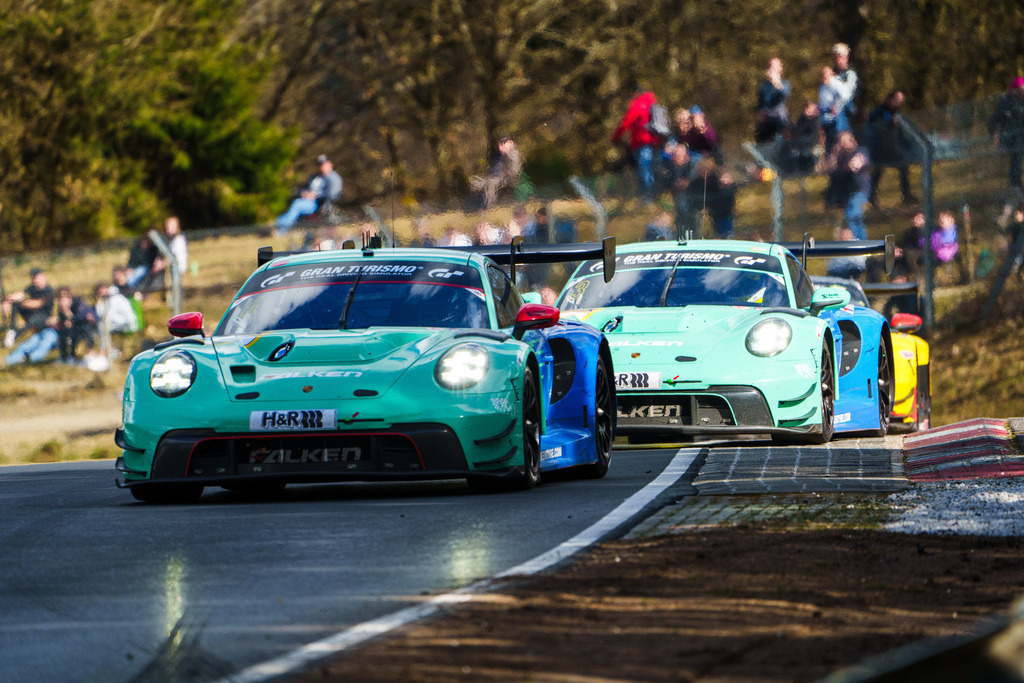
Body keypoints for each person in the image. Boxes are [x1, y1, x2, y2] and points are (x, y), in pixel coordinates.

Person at [610, 82, 661, 202]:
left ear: (634, 93)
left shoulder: (639, 104)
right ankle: (652, 196)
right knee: (649, 168)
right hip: (654, 142)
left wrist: (615, 137)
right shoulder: (652, 102)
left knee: (643, 169)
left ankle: (648, 198)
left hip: (642, 142)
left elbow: (626, 123)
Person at [867, 90, 917, 206]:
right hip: (879, 149)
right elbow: (874, 127)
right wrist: (889, 123)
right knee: (877, 172)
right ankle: (871, 197)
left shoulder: (896, 113)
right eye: (898, 100)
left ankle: (907, 195)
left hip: (893, 149)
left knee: (903, 168)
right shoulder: (879, 111)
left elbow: (900, 132)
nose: (900, 102)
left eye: (901, 100)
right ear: (891, 99)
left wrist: (907, 142)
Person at [275, 154, 343, 234]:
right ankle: (276, 225)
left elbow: (333, 194)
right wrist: (303, 193)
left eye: (323, 164)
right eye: (319, 164)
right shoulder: (314, 177)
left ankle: (280, 230)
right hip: (307, 201)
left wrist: (316, 195)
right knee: (294, 203)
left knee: (297, 205)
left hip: (320, 204)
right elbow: (304, 188)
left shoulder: (334, 178)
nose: (321, 166)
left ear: (330, 164)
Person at [825, 131, 871, 239]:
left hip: (859, 190)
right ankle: (858, 241)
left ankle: (860, 241)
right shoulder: (840, 156)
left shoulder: (860, 151)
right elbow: (829, 169)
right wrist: (835, 153)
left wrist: (845, 166)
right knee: (852, 217)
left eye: (846, 141)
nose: (844, 144)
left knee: (853, 215)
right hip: (845, 192)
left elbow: (855, 165)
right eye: (842, 142)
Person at [2, 268, 55, 349]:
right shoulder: (31, 288)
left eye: (36, 277)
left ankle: (15, 335)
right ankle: (12, 330)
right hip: (32, 313)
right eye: (33, 277)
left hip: (44, 316)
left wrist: (21, 302)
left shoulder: (49, 290)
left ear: (43, 277)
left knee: (33, 319)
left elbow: (37, 304)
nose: (34, 280)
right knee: (15, 304)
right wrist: (6, 300)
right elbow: (20, 295)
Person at [988, 76, 1024, 193]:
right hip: (1011, 140)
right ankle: (1016, 188)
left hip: (1020, 138)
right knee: (1015, 164)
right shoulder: (1005, 102)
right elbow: (993, 121)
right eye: (1019, 90)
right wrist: (994, 136)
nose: (1021, 92)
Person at [469, 136, 522, 208]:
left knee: (490, 184)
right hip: (495, 177)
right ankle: (473, 207)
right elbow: (493, 170)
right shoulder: (500, 156)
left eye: (503, 144)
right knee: (475, 182)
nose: (500, 147)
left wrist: (507, 152)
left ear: (510, 143)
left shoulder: (513, 155)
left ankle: (490, 207)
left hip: (506, 178)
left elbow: (513, 171)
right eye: (500, 144)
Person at [55, 287, 97, 364]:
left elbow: (83, 317)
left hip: (87, 325)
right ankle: (64, 356)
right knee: (62, 332)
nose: (62, 300)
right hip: (74, 327)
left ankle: (90, 352)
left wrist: (70, 317)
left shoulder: (78, 303)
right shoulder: (61, 308)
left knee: (84, 328)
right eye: (60, 297)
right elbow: (62, 321)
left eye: (65, 297)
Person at [754, 57, 792, 143]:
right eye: (770, 66)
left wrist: (775, 81)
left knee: (784, 130)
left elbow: (782, 96)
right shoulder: (764, 86)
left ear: (780, 68)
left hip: (779, 117)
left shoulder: (785, 84)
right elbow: (761, 103)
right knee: (762, 137)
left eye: (774, 67)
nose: (771, 69)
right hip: (766, 116)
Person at [667, 143, 698, 238]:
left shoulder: (692, 165)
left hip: (693, 198)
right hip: (675, 199)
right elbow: (665, 181)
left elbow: (695, 180)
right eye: (675, 153)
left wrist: (687, 182)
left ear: (686, 155)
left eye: (679, 153)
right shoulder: (669, 167)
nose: (677, 155)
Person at [786, 100, 823, 175]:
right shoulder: (802, 119)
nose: (806, 110)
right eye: (806, 108)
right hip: (798, 144)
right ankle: (793, 172)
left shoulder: (815, 121)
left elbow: (812, 136)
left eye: (809, 108)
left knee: (802, 155)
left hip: (808, 146)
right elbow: (798, 130)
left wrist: (797, 138)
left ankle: (805, 171)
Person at [818, 66, 849, 153]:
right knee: (826, 141)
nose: (824, 75)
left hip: (836, 116)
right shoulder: (822, 86)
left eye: (826, 73)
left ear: (832, 74)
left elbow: (845, 96)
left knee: (838, 138)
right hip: (825, 116)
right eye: (823, 74)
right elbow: (822, 102)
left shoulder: (836, 84)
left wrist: (836, 105)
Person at [831, 43, 859, 121]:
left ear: (846, 57)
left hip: (849, 106)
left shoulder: (850, 73)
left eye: (840, 56)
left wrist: (837, 106)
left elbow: (847, 95)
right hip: (834, 106)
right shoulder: (832, 73)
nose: (837, 59)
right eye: (835, 56)